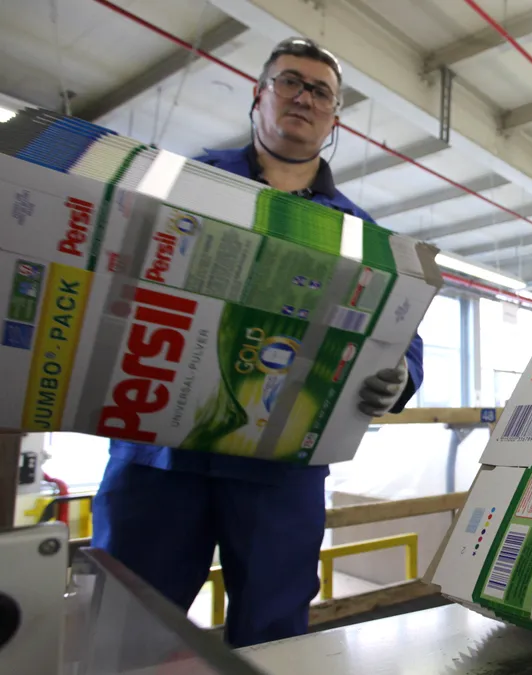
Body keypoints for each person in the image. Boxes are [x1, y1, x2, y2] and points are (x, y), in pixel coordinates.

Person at [92, 37, 423, 647]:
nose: (303, 97)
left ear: (334, 118)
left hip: (282, 468)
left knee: (274, 636)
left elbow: (403, 337)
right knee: (128, 627)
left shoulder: (360, 233)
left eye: (320, 91)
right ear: (259, 96)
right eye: (289, 82)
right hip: (161, 456)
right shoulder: (186, 182)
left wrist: (399, 374)